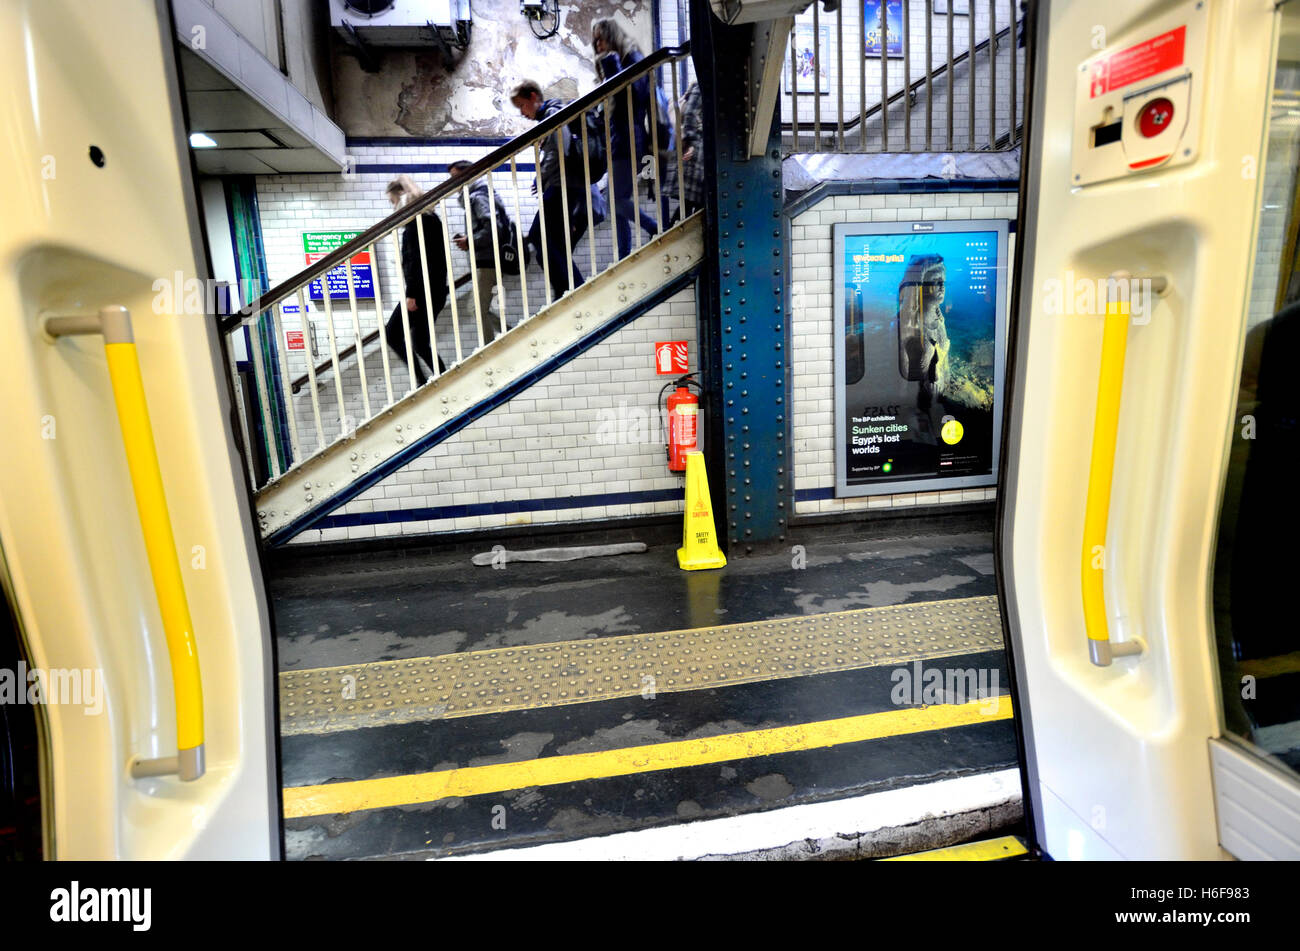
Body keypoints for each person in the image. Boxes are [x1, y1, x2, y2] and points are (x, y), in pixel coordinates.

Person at [510, 79, 591, 300]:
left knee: (538, 235)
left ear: (533, 97)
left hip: (564, 185)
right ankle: (565, 290)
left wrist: (542, 176)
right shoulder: (552, 116)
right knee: (551, 248)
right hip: (564, 185)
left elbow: (558, 151)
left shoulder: (553, 115)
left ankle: (574, 288)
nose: (522, 113)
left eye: (522, 106)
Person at [591, 19, 661, 258]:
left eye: (600, 38)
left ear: (612, 36)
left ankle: (654, 227)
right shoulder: (620, 61)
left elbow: (634, 95)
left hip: (629, 141)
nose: (597, 44)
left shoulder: (632, 59)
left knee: (617, 200)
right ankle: (623, 254)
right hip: (618, 141)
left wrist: (610, 65)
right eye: (595, 41)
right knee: (616, 203)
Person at [382, 175, 449, 387]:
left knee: (393, 334)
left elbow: (417, 262)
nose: (394, 208)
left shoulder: (415, 226)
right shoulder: (431, 220)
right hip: (434, 290)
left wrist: (411, 294)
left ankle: (422, 380)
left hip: (421, 292)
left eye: (393, 201)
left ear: (402, 198)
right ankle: (441, 377)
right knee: (420, 342)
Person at [448, 160, 520, 347]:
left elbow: (493, 228)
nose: (452, 183)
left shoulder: (478, 197)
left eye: (455, 177)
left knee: (477, 309)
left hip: (487, 260)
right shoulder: (479, 195)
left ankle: (490, 348)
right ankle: (510, 335)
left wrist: (469, 241)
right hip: (486, 259)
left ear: (468, 175)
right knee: (477, 308)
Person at [676, 80, 704, 221]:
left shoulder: (699, 85)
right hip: (696, 151)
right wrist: (692, 142)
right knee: (691, 201)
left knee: (691, 202)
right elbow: (690, 114)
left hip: (696, 149)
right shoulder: (702, 85)